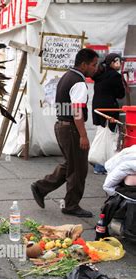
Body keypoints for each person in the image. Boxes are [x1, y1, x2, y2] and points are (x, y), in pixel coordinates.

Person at [31, 48, 99, 218]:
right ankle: (71, 205)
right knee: (79, 169)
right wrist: (83, 135)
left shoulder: (68, 76)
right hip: (71, 128)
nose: (95, 68)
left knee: (71, 164)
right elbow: (77, 112)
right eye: (93, 64)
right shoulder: (79, 82)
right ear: (83, 65)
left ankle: (41, 187)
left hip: (62, 125)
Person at [91, 53, 126, 175]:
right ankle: (102, 166)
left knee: (101, 134)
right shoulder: (114, 76)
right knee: (109, 137)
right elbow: (121, 94)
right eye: (118, 62)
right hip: (109, 108)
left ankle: (98, 163)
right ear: (113, 62)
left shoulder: (99, 74)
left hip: (97, 107)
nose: (120, 64)